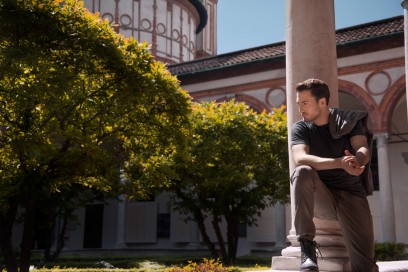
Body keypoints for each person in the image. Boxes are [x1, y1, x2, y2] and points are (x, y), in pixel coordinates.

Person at [290, 78, 378, 272]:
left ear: (322, 102)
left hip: (351, 193)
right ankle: (307, 248)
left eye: (305, 103)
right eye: (299, 104)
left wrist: (357, 160)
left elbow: (362, 147)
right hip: (320, 194)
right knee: (302, 172)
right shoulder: (300, 128)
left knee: (366, 267)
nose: (300, 109)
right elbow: (300, 158)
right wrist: (339, 163)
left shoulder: (348, 120)